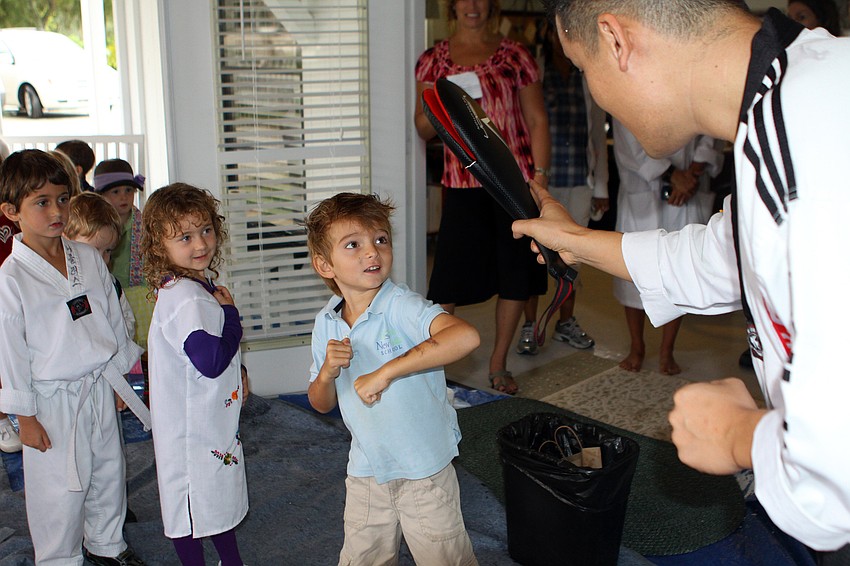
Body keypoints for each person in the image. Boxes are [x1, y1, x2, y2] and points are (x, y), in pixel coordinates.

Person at [515, 0, 850, 557]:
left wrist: (738, 434)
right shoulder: (793, 99)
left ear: (616, 42)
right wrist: (576, 242)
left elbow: (832, 472)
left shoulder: (807, 147)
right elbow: (723, 255)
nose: (594, 92)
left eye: (583, 68)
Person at [305, 192, 480, 566]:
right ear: (324, 265)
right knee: (362, 558)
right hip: (367, 464)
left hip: (423, 468)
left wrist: (385, 372)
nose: (372, 252)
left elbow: (465, 336)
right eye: (353, 245)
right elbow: (320, 403)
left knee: (444, 558)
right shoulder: (327, 322)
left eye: (380, 239)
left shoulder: (400, 305)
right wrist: (326, 373)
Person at [0, 149, 146, 565]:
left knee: (107, 471)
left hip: (98, 384)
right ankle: (60, 557)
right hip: (49, 400)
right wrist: (23, 417)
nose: (56, 211)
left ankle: (107, 545)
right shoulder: (11, 279)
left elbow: (112, 314)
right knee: (59, 490)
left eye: (62, 199)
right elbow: (9, 349)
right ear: (11, 211)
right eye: (41, 202)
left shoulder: (85, 256)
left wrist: (120, 372)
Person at [414, 0, 550, 394]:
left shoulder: (515, 55)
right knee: (447, 282)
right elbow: (422, 129)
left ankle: (498, 363)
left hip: (512, 183)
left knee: (514, 276)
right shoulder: (433, 60)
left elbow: (537, 119)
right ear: (452, 6)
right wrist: (451, 107)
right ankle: (433, 366)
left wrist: (539, 178)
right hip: (462, 181)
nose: (472, 6)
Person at [142, 183, 247, 566]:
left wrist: (242, 372)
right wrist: (233, 317)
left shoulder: (188, 287)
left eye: (205, 230)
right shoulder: (186, 297)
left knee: (212, 501)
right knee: (193, 506)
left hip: (204, 422)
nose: (200, 243)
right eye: (184, 237)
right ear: (160, 246)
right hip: (192, 432)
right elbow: (211, 360)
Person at [517, 20, 609, 355]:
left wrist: (601, 186)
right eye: (556, 31)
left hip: (579, 180)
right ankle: (529, 323)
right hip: (543, 183)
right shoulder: (535, 72)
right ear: (546, 34)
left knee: (572, 258)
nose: (562, 38)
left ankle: (565, 323)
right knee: (532, 257)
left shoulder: (588, 73)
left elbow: (597, 133)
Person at [612, 121, 723, 375]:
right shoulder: (627, 86)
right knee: (633, 267)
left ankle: (667, 350)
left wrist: (692, 175)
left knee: (679, 269)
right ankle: (636, 346)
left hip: (689, 186)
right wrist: (673, 175)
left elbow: (709, 128)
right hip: (643, 187)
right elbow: (628, 140)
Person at [93, 158, 153, 351]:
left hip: (144, 298)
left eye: (129, 191)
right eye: (116, 192)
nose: (124, 197)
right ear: (101, 195)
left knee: (147, 353)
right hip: (112, 296)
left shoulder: (145, 224)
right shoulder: (94, 229)